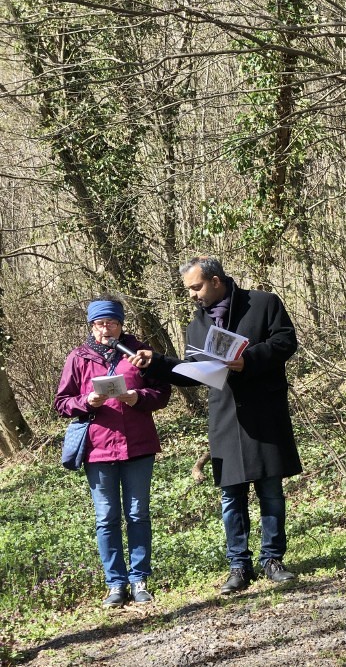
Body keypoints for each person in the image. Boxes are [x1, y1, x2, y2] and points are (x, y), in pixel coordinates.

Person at [130, 256, 302, 594]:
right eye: (189, 289)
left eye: (196, 287)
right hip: (225, 417)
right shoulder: (197, 325)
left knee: (270, 491)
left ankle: (273, 560)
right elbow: (192, 373)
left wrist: (247, 360)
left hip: (264, 412)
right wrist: (156, 363)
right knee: (231, 496)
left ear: (216, 281)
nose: (192, 295)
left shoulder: (263, 303)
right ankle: (239, 566)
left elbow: (285, 342)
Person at [54, 296, 172, 608]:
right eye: (100, 324)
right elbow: (61, 402)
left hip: (138, 446)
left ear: (121, 325)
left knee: (138, 514)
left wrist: (138, 397)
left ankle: (139, 579)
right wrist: (86, 402)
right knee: (106, 518)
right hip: (98, 449)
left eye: (112, 323)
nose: (106, 329)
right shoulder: (78, 357)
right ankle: (116, 584)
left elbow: (162, 393)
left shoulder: (138, 353)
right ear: (91, 326)